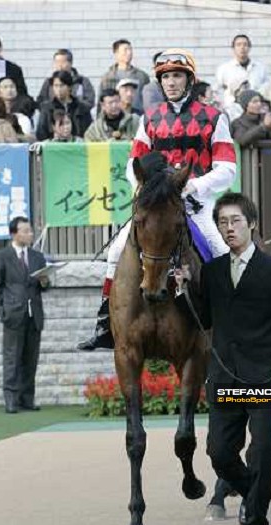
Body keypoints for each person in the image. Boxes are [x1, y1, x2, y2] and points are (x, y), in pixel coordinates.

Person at [174, 192, 271, 525]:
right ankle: (255, 490)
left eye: (236, 221)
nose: (229, 228)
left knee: (264, 450)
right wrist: (183, 290)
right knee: (219, 453)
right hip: (222, 378)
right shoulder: (213, 271)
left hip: (265, 377)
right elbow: (205, 320)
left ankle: (255, 522)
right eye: (222, 222)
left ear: (251, 223)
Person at [77, 48, 237, 351]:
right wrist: (143, 187)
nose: (171, 82)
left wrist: (194, 186)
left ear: (189, 80)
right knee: (115, 253)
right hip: (156, 206)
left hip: (195, 205)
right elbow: (133, 162)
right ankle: (104, 323)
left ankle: (230, 321)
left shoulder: (214, 117)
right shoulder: (150, 118)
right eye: (165, 77)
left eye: (177, 76)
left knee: (218, 250)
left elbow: (228, 168)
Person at [0, 217, 50, 413]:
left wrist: (44, 281)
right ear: (14, 234)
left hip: (34, 315)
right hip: (13, 315)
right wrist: (3, 311)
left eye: (30, 230)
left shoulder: (37, 257)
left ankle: (27, 399)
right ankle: (11, 400)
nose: (30, 234)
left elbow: (45, 286)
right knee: (12, 359)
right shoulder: (2, 256)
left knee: (30, 359)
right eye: (25, 231)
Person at [215, 34, 269, 110]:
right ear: (233, 48)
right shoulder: (224, 69)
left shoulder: (260, 68)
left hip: (256, 110)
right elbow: (218, 91)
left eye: (245, 45)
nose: (242, 47)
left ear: (249, 48)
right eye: (238, 45)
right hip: (232, 109)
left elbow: (266, 88)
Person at [36, 71, 92, 141]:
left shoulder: (82, 108)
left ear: (70, 87)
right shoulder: (46, 108)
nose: (58, 89)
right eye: (55, 86)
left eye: (62, 85)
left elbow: (89, 132)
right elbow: (41, 134)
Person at [98, 39, 150, 114]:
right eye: (125, 50)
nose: (129, 53)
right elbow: (101, 103)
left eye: (130, 50)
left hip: (139, 118)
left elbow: (148, 101)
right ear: (116, 53)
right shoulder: (108, 77)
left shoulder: (142, 76)